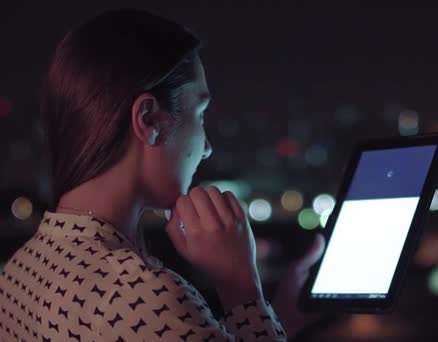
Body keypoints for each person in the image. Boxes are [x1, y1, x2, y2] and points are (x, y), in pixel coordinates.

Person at [0, 8, 325, 341]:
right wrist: (242, 288)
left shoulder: (16, 272)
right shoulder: (139, 295)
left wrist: (276, 316)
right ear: (149, 121)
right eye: (200, 114)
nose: (207, 147)